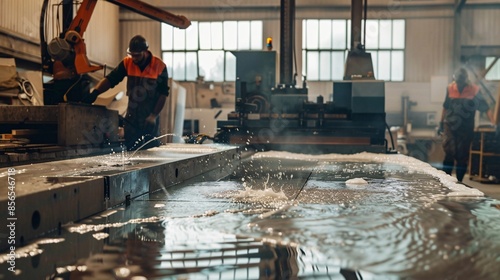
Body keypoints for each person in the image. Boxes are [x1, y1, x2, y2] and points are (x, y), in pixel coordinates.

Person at [82, 35, 170, 151]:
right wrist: (95, 93)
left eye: (137, 55)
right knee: (131, 149)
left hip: (149, 117)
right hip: (132, 117)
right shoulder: (127, 63)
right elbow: (111, 79)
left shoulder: (159, 66)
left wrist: (153, 115)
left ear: (145, 51)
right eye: (132, 55)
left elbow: (163, 94)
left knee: (151, 149)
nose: (134, 58)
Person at [439, 67, 494, 182]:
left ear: (465, 80)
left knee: (462, 156)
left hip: (466, 128)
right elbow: (445, 107)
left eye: (461, 82)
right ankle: (446, 180)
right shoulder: (450, 88)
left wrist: (493, 123)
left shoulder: (474, 90)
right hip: (450, 126)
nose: (459, 84)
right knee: (449, 152)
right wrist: (441, 123)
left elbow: (486, 108)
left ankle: (459, 181)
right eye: (457, 82)